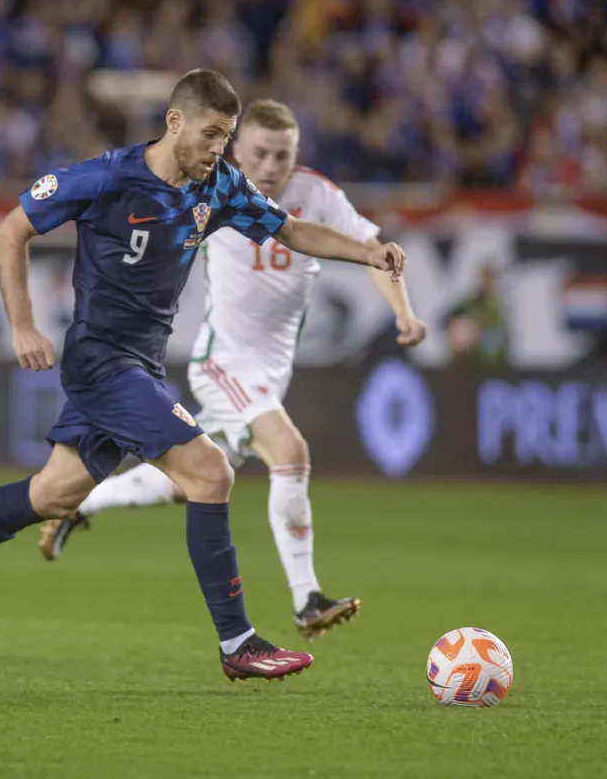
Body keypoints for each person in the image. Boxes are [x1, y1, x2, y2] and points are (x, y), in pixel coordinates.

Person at [0, 70, 408, 680]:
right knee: (210, 471)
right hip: (101, 362)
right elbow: (12, 228)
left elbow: (290, 229)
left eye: (226, 136)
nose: (219, 148)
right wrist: (23, 325)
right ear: (174, 121)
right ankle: (238, 643)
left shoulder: (219, 186)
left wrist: (368, 251)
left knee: (53, 495)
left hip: (143, 364)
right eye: (211, 134)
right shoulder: (107, 177)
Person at [37, 100, 429, 639]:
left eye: (283, 155)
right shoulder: (215, 190)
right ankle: (307, 599)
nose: (271, 166)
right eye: (260, 153)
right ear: (237, 150)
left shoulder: (317, 194)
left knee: (188, 481)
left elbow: (370, 251)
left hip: (271, 373)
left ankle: (79, 503)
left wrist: (403, 311)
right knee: (289, 452)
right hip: (223, 362)